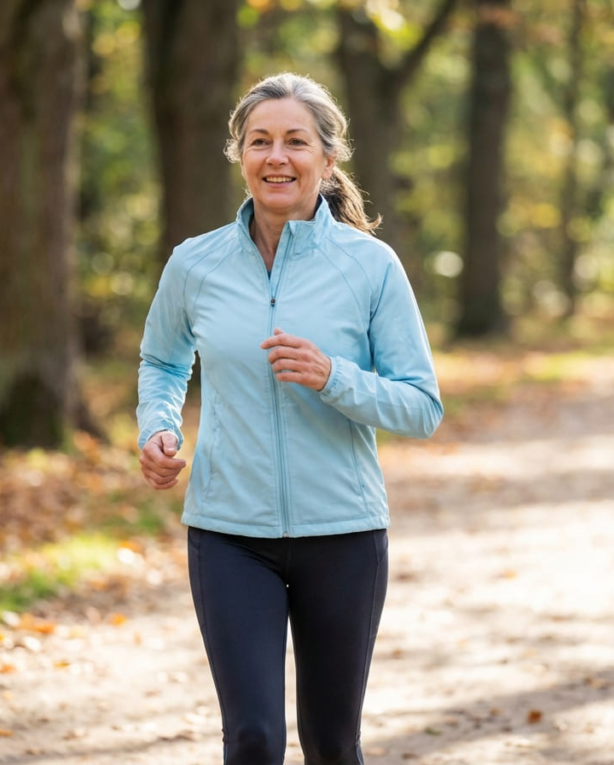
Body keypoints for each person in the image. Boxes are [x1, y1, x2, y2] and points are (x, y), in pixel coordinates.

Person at [136, 72, 443, 765]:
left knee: (334, 744)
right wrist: (158, 427)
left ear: (328, 160)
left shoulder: (371, 267)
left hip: (344, 531)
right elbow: (161, 359)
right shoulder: (196, 263)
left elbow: (422, 405)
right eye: (260, 141)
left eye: (296, 141)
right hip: (228, 531)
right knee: (252, 739)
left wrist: (334, 377)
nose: (277, 157)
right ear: (240, 155)